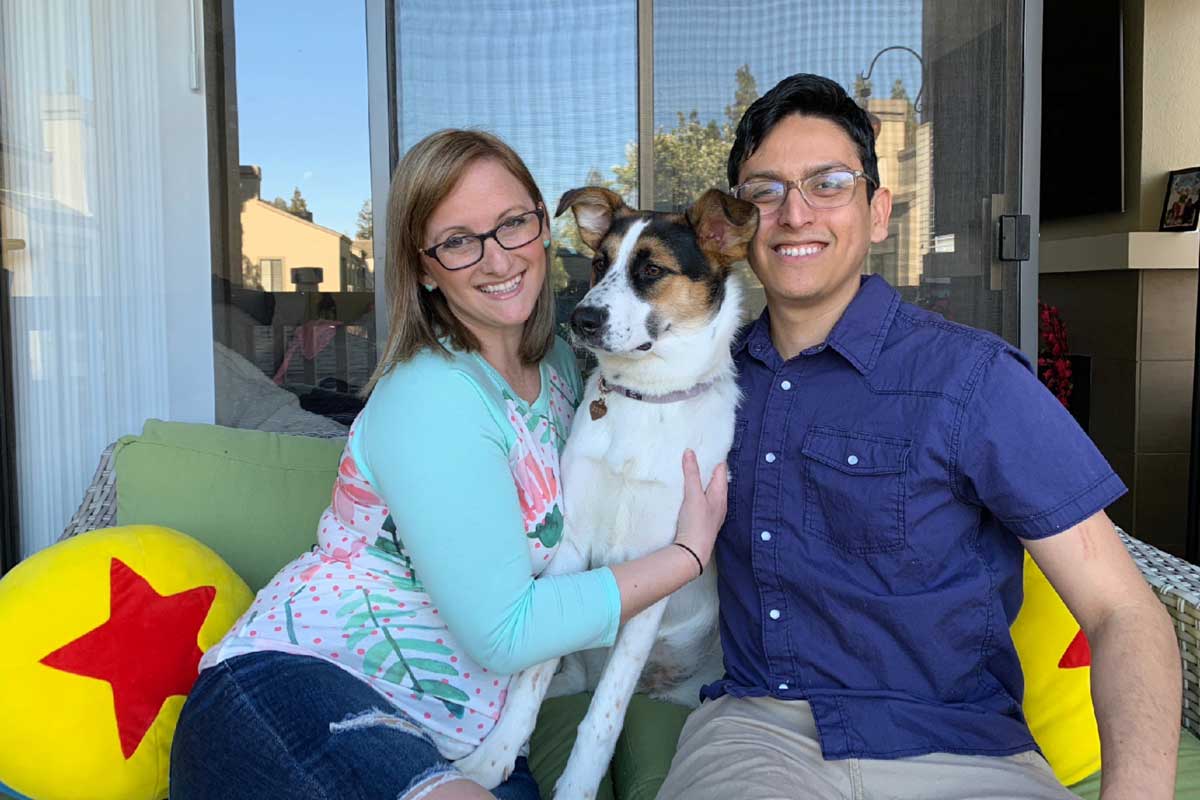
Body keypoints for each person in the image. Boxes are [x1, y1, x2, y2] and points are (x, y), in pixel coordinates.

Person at [657, 74, 1181, 800]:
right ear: (739, 226)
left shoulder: (972, 378)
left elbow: (1122, 610)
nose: (794, 213)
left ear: (878, 212)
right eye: (764, 192)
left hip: (962, 750)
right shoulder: (703, 389)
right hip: (759, 739)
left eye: (828, 183)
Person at [169, 129, 728, 800]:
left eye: (513, 224)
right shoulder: (431, 395)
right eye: (459, 240)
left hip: (470, 738)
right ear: (425, 267)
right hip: (306, 687)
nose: (497, 259)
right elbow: (505, 632)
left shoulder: (558, 370)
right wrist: (688, 555)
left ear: (544, 231)